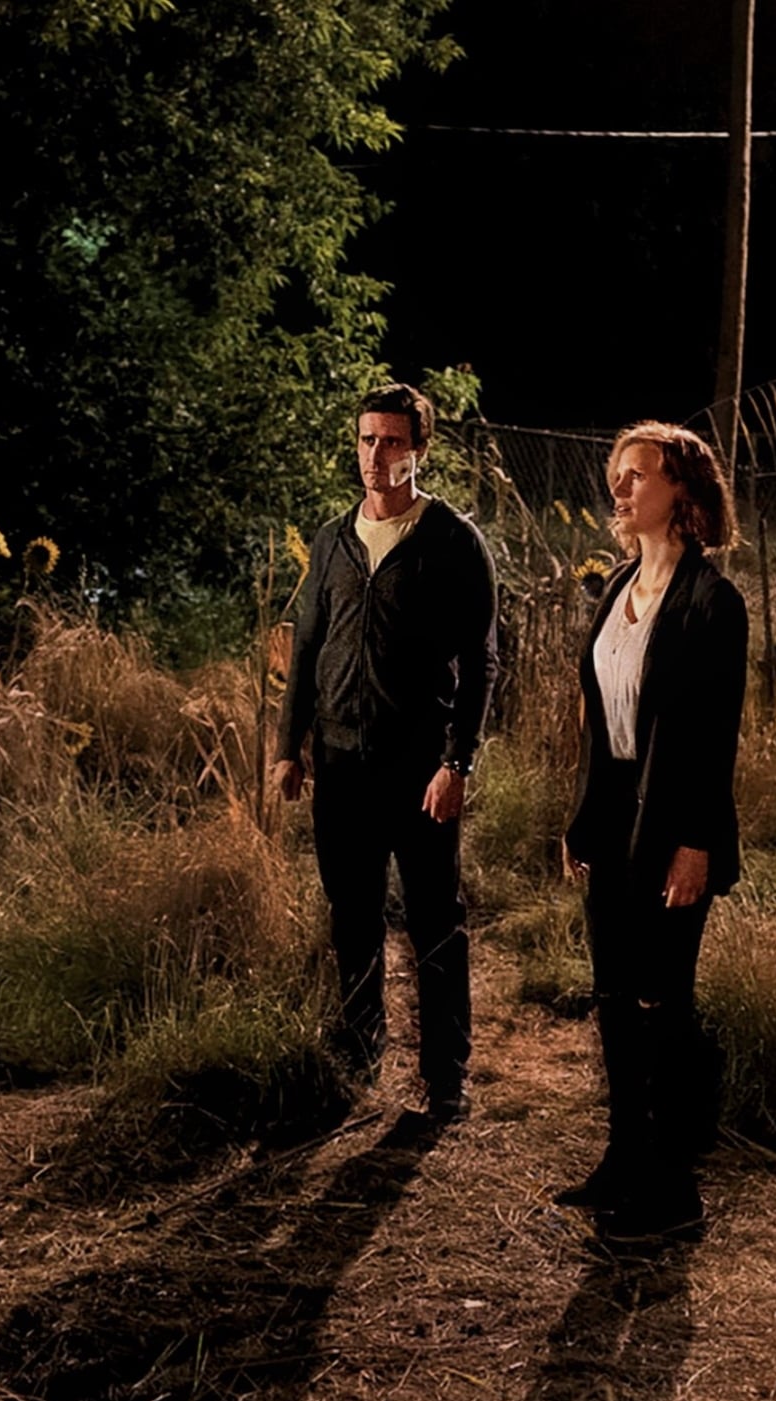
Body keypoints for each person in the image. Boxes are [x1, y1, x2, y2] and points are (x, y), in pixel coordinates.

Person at [272, 384, 499, 1119]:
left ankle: (446, 1077)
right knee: (353, 915)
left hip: (420, 767)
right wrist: (288, 745)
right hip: (341, 765)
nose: (377, 455)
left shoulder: (452, 541)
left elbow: (481, 662)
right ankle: (359, 1054)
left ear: (419, 450)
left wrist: (457, 762)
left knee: (435, 922)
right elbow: (307, 647)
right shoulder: (333, 539)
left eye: (393, 441)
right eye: (368, 439)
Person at [556, 422, 748, 1241]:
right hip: (616, 817)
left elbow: (714, 739)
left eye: (639, 475)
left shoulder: (713, 602)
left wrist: (696, 844)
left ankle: (674, 1188)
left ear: (683, 491)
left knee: (661, 1001)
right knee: (612, 995)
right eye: (618, 474)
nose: (621, 489)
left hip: (674, 824)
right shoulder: (618, 585)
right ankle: (623, 1156)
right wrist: (581, 820)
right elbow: (601, 719)